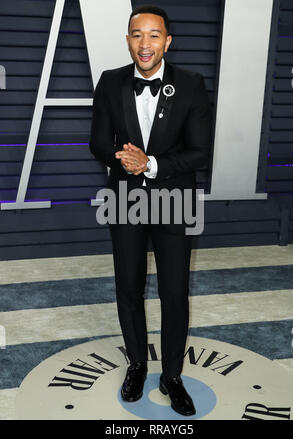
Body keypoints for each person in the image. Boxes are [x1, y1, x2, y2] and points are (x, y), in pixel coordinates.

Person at [89, 4, 212, 416]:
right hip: (124, 198)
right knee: (129, 286)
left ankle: (172, 375)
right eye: (137, 34)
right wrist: (122, 157)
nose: (145, 44)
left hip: (174, 200)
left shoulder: (192, 84)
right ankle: (138, 364)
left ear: (167, 41)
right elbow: (97, 141)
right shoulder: (109, 83)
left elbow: (199, 151)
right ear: (128, 39)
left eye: (153, 35)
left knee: (175, 292)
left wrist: (153, 164)